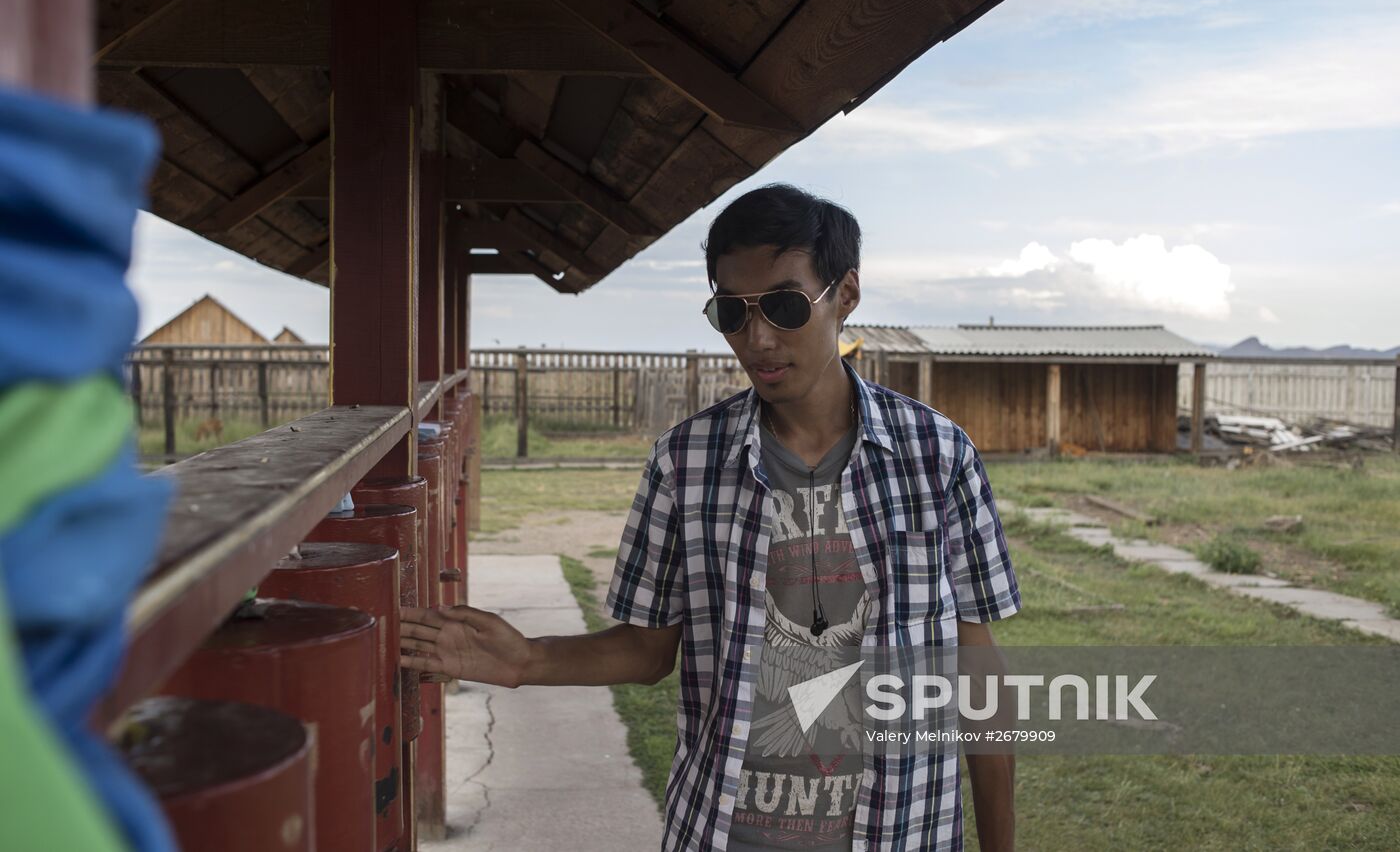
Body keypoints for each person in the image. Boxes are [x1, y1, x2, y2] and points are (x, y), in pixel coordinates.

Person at [401, 183, 1022, 851]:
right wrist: (526, 659)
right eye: (732, 312)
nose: (758, 338)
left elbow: (973, 667)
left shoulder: (937, 455)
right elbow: (647, 650)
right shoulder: (686, 461)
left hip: (905, 832)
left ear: (845, 296)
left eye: (784, 306)